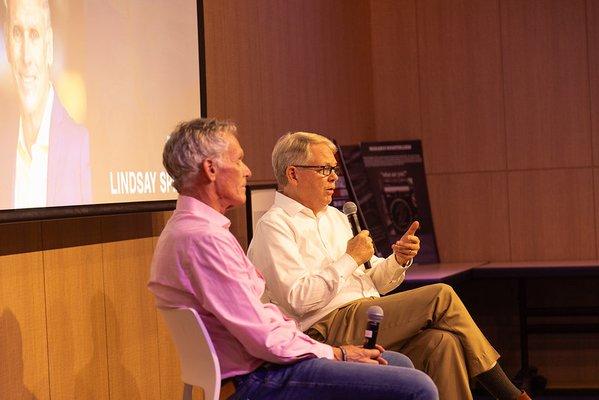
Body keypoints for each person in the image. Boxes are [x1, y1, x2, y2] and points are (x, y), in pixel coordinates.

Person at [148, 118, 438, 400]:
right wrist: (337, 353)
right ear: (210, 169)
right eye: (238, 160)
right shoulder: (205, 239)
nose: (247, 171)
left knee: (400, 364)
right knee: (417, 387)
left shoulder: (187, 230)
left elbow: (260, 322)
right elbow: (262, 338)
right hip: (256, 378)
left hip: (262, 365)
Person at [247, 131, 532, 400]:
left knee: (443, 343)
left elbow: (374, 282)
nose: (334, 177)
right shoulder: (275, 225)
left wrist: (398, 259)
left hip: (367, 315)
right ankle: (509, 395)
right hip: (322, 328)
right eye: (324, 169)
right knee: (441, 295)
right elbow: (298, 300)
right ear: (293, 174)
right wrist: (350, 259)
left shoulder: (335, 217)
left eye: (334, 169)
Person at [1, 0, 91, 209]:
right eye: (16, 33)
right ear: (6, 44)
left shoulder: (81, 143)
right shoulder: (3, 144)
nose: (26, 57)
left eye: (34, 34)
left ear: (49, 46)